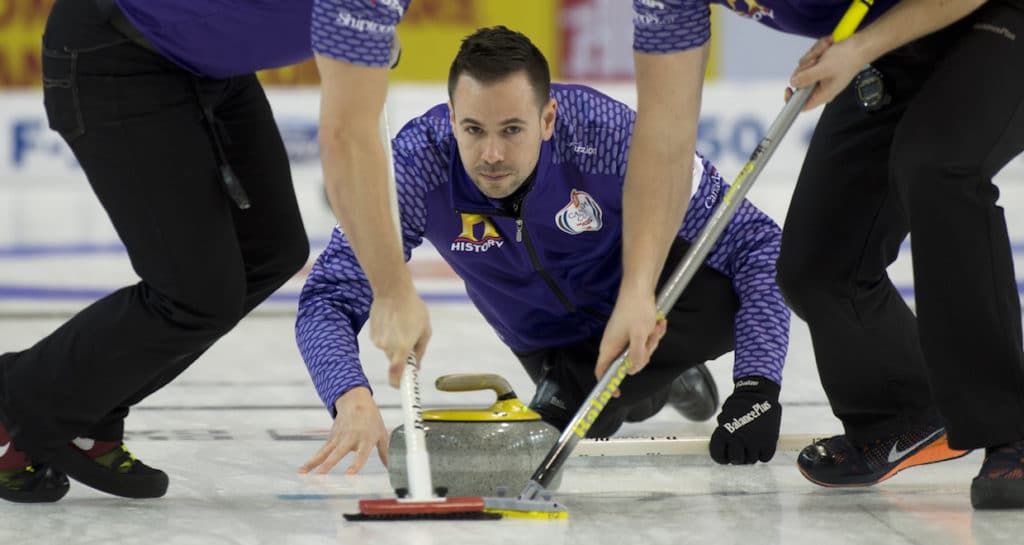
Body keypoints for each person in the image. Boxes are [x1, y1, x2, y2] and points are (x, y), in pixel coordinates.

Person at [295, 26, 791, 476]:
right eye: (473, 130)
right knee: (572, 431)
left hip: (657, 304)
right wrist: (350, 396)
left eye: (512, 129)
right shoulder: (415, 165)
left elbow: (759, 244)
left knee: (735, 278)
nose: (491, 154)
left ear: (548, 117)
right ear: (451, 118)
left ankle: (661, 366)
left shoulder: (608, 133)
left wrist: (757, 387)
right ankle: (663, 382)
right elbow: (328, 296)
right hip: (554, 346)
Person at [0, 0, 427, 503]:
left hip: (206, 63)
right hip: (116, 52)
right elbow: (348, 140)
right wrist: (392, 289)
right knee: (195, 295)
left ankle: (79, 407)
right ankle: (18, 403)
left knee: (269, 251)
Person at [628, 0, 1024, 509]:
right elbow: (664, 132)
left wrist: (860, 46)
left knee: (938, 166)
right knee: (818, 263)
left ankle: (1011, 429)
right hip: (895, 36)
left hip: (998, 15)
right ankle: (904, 411)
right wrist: (638, 291)